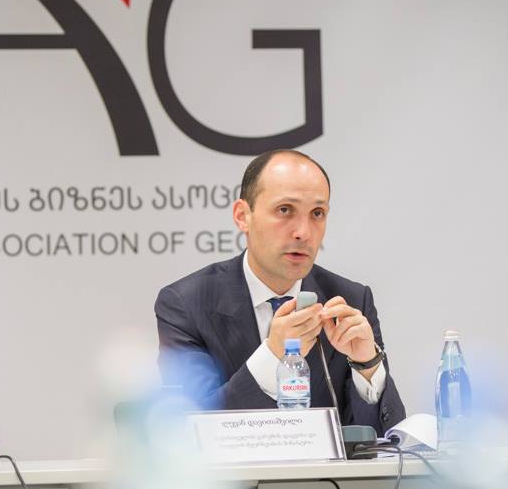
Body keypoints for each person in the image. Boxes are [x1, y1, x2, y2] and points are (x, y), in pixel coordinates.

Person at [155, 150, 407, 433]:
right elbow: (191, 430)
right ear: (242, 216)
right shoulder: (186, 305)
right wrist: (273, 355)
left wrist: (367, 366)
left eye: (317, 214)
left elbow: (386, 439)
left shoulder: (351, 300)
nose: (303, 232)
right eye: (285, 210)